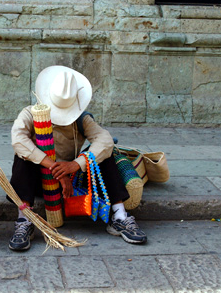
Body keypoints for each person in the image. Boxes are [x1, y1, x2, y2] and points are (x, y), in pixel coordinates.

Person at [8, 65, 147, 251]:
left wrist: (75, 164)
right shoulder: (30, 113)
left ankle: (119, 216)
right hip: (38, 181)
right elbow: (18, 139)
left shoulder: (81, 119)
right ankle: (25, 219)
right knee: (22, 156)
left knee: (105, 155)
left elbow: (105, 140)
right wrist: (52, 167)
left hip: (70, 182)